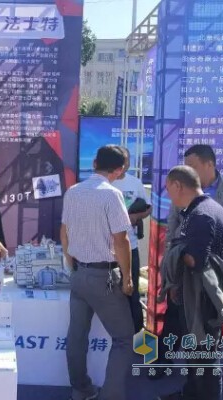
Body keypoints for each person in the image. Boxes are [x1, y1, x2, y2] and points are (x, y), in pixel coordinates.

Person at [61, 145, 134, 400]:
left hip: (79, 273)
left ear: (94, 163)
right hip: (104, 277)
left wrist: (71, 263)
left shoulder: (73, 191)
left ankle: (80, 389)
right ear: (120, 169)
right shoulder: (112, 195)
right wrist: (128, 278)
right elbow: (121, 240)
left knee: (77, 336)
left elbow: (64, 232)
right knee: (124, 338)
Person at [164, 165, 223, 400]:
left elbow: (195, 260)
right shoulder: (205, 209)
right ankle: (191, 394)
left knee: (205, 361)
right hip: (200, 298)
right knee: (196, 357)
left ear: (178, 186)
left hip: (203, 303)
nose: (169, 196)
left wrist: (175, 252)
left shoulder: (201, 215)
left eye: (168, 189)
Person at [167, 144, 223, 248]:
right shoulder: (181, 190)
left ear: (209, 164)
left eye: (192, 167)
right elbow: (171, 229)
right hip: (185, 254)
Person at [112, 147, 152, 333]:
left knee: (131, 291)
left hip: (131, 246)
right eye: (122, 160)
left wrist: (137, 216)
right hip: (106, 249)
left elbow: (148, 207)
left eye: (127, 160)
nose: (125, 164)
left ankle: (137, 336)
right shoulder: (105, 183)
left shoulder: (135, 183)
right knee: (110, 294)